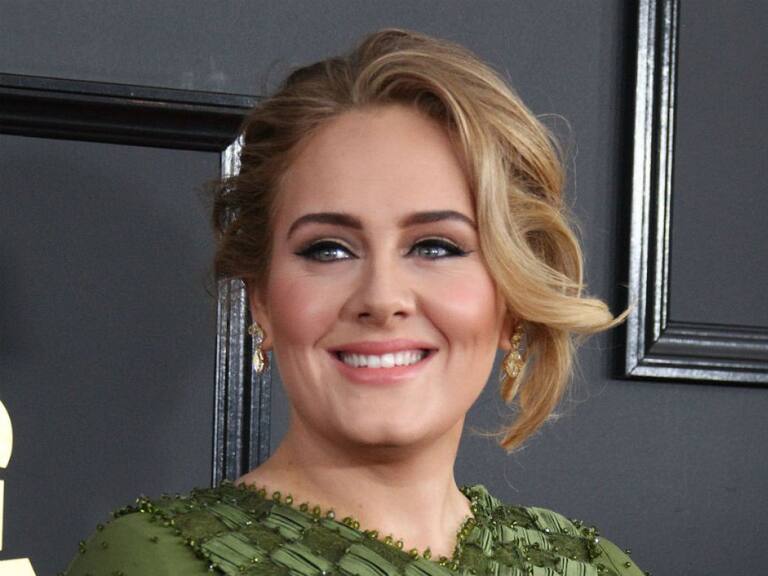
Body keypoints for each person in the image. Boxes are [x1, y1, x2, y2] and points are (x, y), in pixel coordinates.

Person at [62, 29, 644, 576]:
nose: (382, 299)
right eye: (329, 250)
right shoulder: (154, 559)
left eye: (436, 247)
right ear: (261, 300)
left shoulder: (591, 566)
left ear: (511, 299)